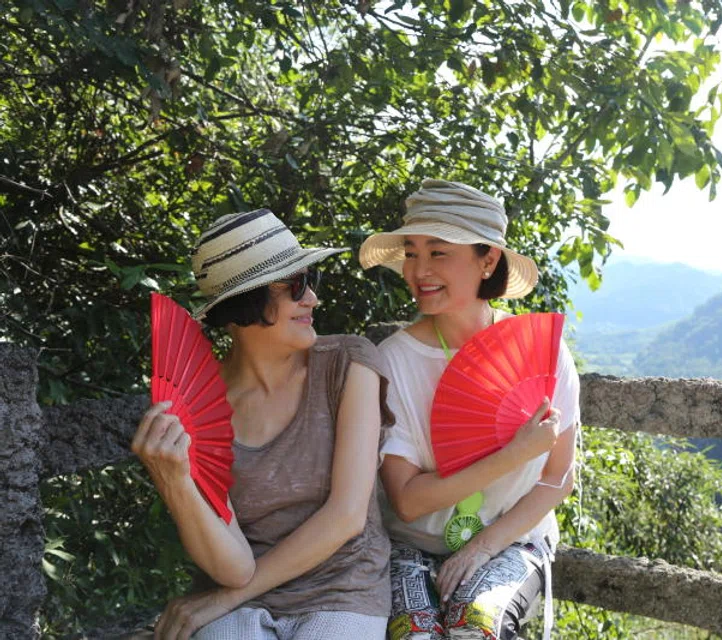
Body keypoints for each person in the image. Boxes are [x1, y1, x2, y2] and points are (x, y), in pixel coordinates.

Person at [131, 208, 393, 640]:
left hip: (343, 589)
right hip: (240, 593)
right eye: (294, 286)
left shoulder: (349, 362)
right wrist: (173, 481)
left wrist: (222, 601)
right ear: (244, 305)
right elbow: (234, 567)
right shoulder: (197, 403)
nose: (312, 299)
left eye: (311, 281)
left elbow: (347, 516)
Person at [359, 180, 580, 640]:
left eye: (438, 253)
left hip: (512, 539)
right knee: (416, 634)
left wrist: (482, 548)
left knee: (473, 629)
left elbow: (559, 478)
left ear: (488, 260)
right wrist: (512, 455)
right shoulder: (393, 360)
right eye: (412, 252)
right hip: (411, 544)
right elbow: (408, 499)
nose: (419, 270)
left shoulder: (543, 352)